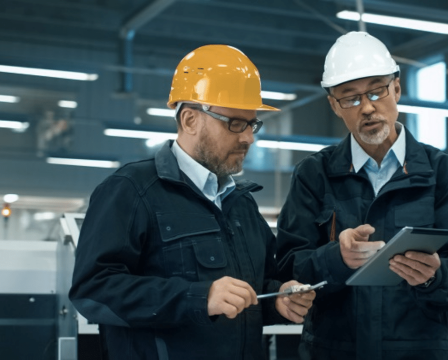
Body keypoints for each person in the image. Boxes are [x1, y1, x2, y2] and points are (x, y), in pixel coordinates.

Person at [69, 45, 316, 360]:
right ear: (189, 120)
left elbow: (257, 287)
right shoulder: (132, 191)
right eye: (235, 123)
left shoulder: (241, 203)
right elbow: (94, 291)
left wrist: (277, 299)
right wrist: (199, 297)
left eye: (252, 124)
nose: (248, 138)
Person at [276, 31, 448, 360]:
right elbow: (290, 267)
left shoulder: (443, 173)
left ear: (397, 89)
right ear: (334, 105)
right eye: (351, 98)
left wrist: (435, 275)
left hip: (420, 351)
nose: (367, 107)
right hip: (334, 351)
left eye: (377, 91)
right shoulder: (313, 175)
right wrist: (336, 258)